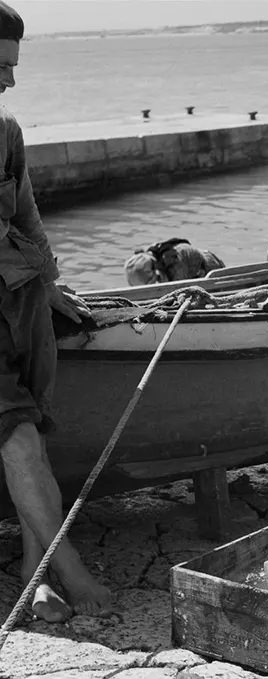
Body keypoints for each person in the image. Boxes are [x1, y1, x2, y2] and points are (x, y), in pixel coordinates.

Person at [0, 1, 111, 620]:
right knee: (18, 441)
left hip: (21, 306)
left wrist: (49, 283)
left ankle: (30, 573)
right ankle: (68, 570)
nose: (10, 80)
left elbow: (26, 217)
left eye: (13, 66)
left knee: (29, 435)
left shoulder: (5, 131)